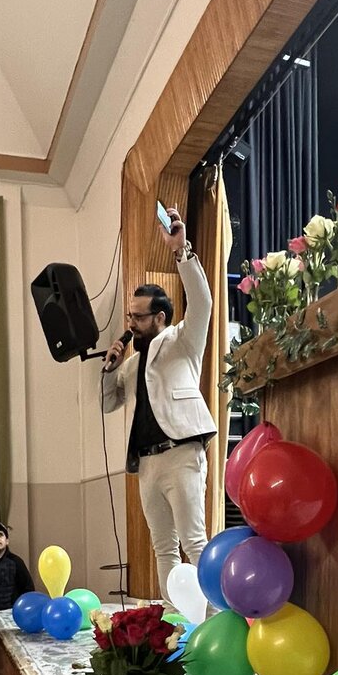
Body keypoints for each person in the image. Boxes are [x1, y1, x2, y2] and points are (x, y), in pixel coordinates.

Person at [102, 205, 216, 602]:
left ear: (160, 317)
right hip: (146, 463)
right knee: (163, 548)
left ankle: (214, 618)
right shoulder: (131, 365)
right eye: (129, 316)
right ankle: (174, 618)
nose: (130, 323)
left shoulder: (183, 340)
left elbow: (202, 302)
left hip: (181, 452)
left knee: (194, 542)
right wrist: (109, 367)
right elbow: (108, 404)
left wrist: (181, 251)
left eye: (138, 317)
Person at [0, 521, 34, 615]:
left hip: (10, 614)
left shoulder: (16, 562)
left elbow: (28, 590)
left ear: (7, 541)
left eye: (0, 535)